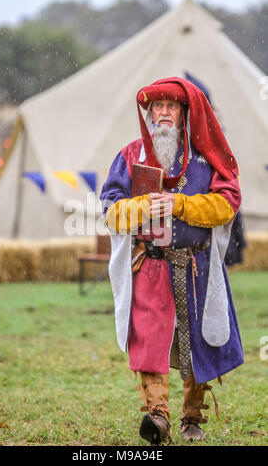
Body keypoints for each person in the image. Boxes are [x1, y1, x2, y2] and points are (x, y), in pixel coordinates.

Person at [100, 77, 244, 445]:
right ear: (149, 113)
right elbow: (110, 209)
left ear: (184, 114)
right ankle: (157, 416)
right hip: (150, 265)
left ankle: (192, 415)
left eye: (172, 107)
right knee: (149, 340)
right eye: (158, 107)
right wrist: (140, 206)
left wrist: (179, 204)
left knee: (198, 339)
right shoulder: (131, 155)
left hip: (197, 266)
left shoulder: (204, 157)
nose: (164, 112)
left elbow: (228, 202)